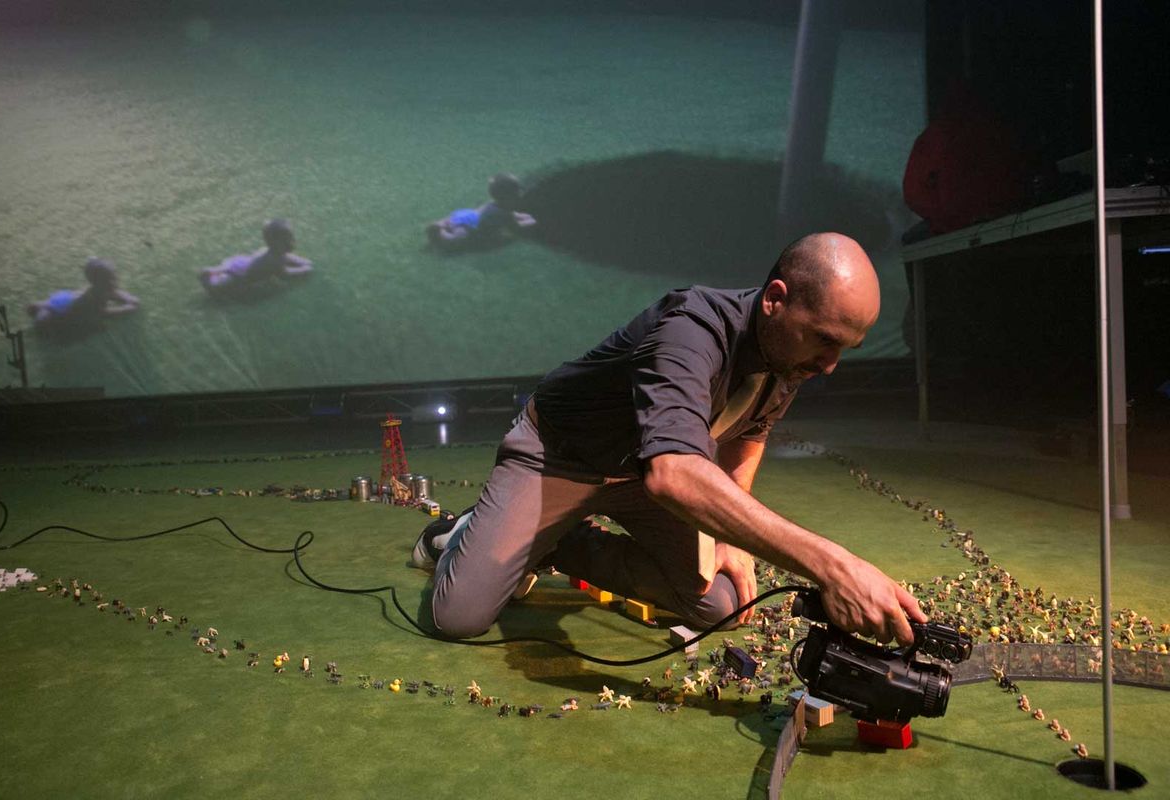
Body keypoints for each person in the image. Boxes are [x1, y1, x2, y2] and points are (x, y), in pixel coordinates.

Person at [412, 232, 927, 645]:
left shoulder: (789, 354)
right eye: (826, 340)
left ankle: (558, 542)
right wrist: (833, 566)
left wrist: (728, 538)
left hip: (637, 474)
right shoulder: (690, 329)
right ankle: (462, 533)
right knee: (458, 618)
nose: (831, 365)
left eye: (846, 348)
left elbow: (751, 431)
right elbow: (673, 475)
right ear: (775, 300)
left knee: (722, 606)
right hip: (559, 458)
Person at [199, 218, 312, 295]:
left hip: (241, 261)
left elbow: (287, 256)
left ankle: (216, 270)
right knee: (221, 286)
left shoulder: (267, 250)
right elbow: (285, 274)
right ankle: (209, 280)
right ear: (276, 243)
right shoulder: (274, 261)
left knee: (227, 268)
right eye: (288, 240)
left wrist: (302, 261)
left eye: (291, 238)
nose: (292, 242)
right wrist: (304, 269)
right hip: (242, 274)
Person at [426, 173, 537, 250]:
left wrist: (523, 216)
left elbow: (513, 215)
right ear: (508, 197)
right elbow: (517, 227)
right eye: (517, 194)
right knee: (456, 241)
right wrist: (532, 221)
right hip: (469, 226)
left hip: (466, 214)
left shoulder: (493, 204)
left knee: (451, 222)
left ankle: (441, 224)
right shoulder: (503, 214)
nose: (519, 196)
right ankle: (439, 233)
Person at [27, 257, 140, 330]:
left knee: (50, 305)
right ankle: (40, 310)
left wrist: (128, 299)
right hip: (62, 312)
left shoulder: (102, 288)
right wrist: (126, 309)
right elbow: (104, 313)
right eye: (109, 280)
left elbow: (115, 293)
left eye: (114, 277)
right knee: (45, 321)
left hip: (67, 298)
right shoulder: (94, 298)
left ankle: (41, 306)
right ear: (97, 283)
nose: (114, 282)